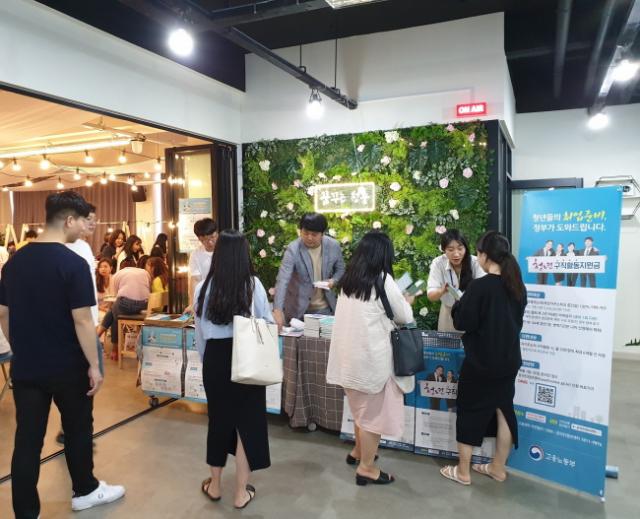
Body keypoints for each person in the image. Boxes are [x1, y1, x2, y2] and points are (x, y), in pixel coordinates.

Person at [0, 191, 125, 516]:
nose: (85, 228)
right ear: (69, 220)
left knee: (27, 441)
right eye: (83, 222)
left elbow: (3, 313)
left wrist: (20, 347)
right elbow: (82, 320)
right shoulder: (73, 263)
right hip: (69, 366)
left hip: (27, 367)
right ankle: (85, 490)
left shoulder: (14, 263)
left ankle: (26, 512)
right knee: (78, 430)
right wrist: (94, 365)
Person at [327, 231, 414, 486]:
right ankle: (366, 468)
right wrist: (407, 300)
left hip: (348, 360)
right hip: (372, 362)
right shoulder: (384, 280)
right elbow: (404, 316)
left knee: (360, 411)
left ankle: (358, 451)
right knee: (373, 418)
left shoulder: (348, 281)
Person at [439, 231, 526, 486]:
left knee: (469, 412)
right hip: (509, 360)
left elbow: (463, 321)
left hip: (481, 362)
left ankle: (463, 472)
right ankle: (498, 468)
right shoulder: (517, 285)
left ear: (486, 256)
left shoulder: (480, 287)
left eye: (478, 253)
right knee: (504, 410)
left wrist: (458, 304)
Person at [194, 230, 274, 509]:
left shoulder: (203, 287)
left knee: (218, 422)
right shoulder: (253, 285)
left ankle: (215, 486)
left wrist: (207, 362)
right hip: (247, 357)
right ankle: (240, 493)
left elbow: (200, 333)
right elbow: (266, 323)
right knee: (246, 425)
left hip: (215, 359)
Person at [273, 213, 345, 328]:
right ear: (300, 231)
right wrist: (277, 310)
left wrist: (334, 280)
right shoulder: (293, 249)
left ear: (322, 234)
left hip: (325, 309)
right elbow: (283, 280)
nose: (309, 237)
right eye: (305, 233)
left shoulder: (333, 246)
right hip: (297, 310)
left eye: (314, 234)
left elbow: (341, 269)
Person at [427, 229, 485, 332]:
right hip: (448, 312)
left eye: (460, 248)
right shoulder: (438, 263)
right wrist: (442, 291)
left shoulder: (476, 262)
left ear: (466, 248)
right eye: (450, 250)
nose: (456, 254)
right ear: (444, 250)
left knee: (470, 341)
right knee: (447, 341)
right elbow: (431, 295)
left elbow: (484, 292)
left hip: (472, 312)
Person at [97, 260, 151, 358]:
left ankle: (114, 349)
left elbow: (117, 294)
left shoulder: (118, 274)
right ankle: (98, 336)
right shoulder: (144, 272)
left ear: (121, 267)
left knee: (115, 317)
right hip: (144, 305)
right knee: (113, 311)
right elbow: (149, 287)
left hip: (125, 304)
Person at [188, 218, 218, 307]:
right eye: (204, 240)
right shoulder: (196, 254)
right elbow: (195, 280)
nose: (210, 242)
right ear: (199, 239)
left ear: (217, 233)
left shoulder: (227, 249)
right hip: (208, 299)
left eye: (212, 237)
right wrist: (192, 304)